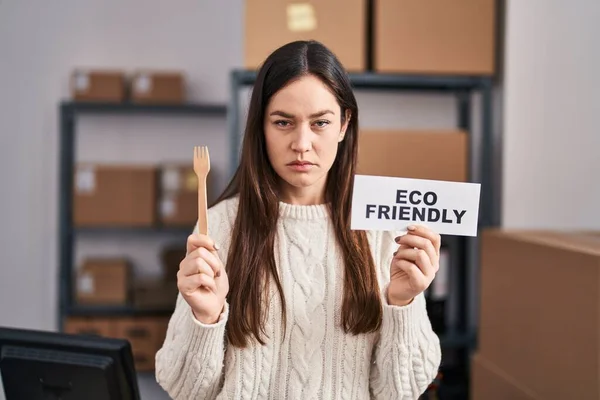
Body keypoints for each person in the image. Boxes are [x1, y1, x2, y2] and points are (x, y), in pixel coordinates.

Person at [155, 40, 442, 400]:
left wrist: (404, 303)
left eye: (320, 122)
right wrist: (206, 320)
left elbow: (400, 391)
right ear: (261, 127)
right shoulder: (218, 227)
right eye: (283, 122)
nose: (302, 143)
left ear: (343, 124)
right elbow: (185, 390)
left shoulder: (383, 229)